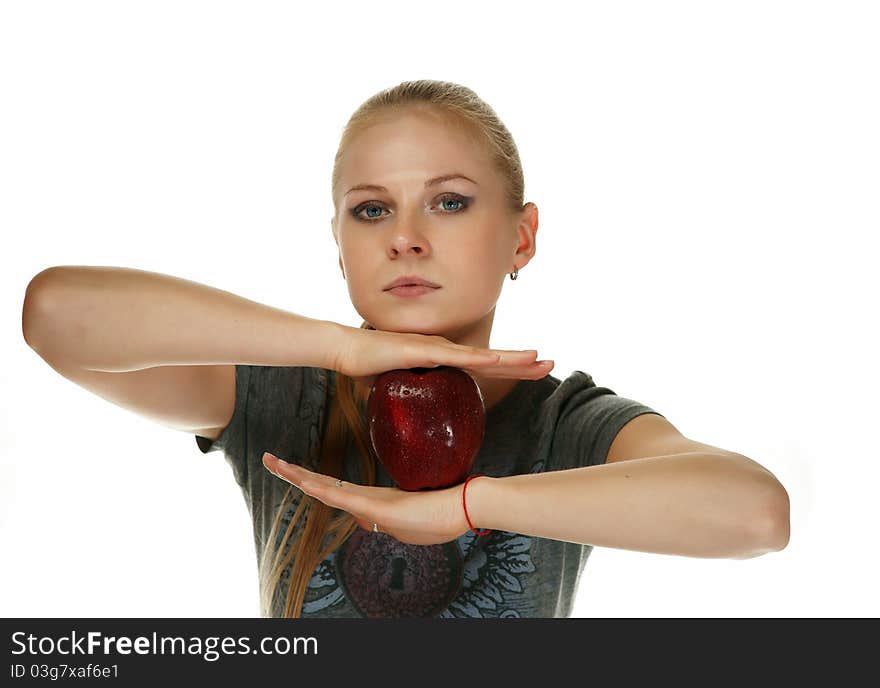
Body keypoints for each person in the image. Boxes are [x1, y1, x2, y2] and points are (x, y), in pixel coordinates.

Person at [22, 79, 790, 619]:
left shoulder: (567, 426)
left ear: (521, 236)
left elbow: (757, 515)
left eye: (449, 202)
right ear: (340, 245)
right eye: (370, 210)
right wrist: (339, 348)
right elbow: (55, 315)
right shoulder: (287, 396)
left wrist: (468, 506)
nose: (404, 238)